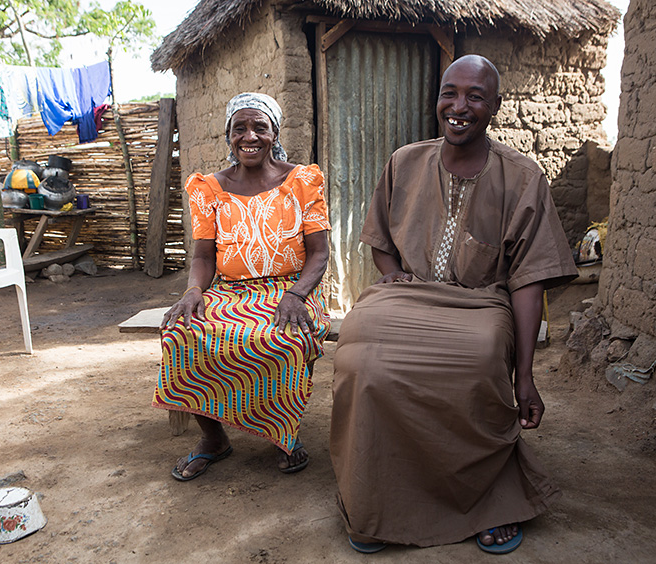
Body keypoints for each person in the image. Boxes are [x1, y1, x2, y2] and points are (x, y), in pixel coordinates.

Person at [329, 55, 578, 555]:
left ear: (496, 107)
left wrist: (524, 375)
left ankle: (487, 499)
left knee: (480, 356)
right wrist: (391, 275)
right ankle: (373, 499)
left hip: (481, 302)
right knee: (361, 358)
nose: (458, 106)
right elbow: (380, 235)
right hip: (409, 292)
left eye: (475, 96)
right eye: (449, 93)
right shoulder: (405, 161)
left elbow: (529, 280)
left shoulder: (523, 177)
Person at [153, 92, 331, 481]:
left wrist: (297, 294)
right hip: (231, 292)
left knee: (284, 337)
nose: (249, 136)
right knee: (183, 332)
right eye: (240, 128)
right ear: (228, 136)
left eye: (259, 127)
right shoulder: (210, 189)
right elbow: (203, 257)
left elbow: (319, 254)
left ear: (274, 133)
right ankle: (213, 439)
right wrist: (193, 292)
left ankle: (284, 435)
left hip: (290, 289)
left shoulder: (301, 181)